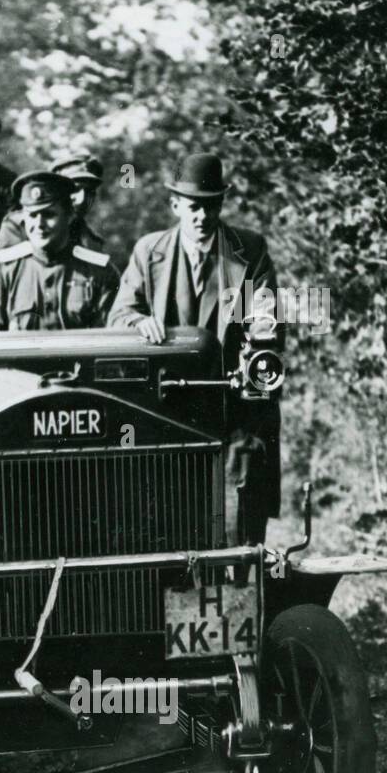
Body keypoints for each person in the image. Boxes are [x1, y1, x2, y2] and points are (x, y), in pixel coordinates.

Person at [107, 153, 282, 542]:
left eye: (210, 205)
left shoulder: (248, 250)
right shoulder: (148, 251)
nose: (201, 216)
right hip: (167, 406)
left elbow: (267, 315)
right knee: (168, 514)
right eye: (193, 207)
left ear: (221, 204)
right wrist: (139, 322)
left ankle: (239, 589)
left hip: (232, 406)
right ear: (175, 206)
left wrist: (256, 343)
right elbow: (119, 315)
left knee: (239, 513)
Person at [0, 171, 118, 331]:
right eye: (32, 215)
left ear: (69, 216)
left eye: (48, 215)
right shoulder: (1, 270)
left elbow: (109, 338)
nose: (39, 224)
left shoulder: (100, 272)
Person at [52, 154, 107, 252]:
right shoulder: (26, 232)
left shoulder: (93, 243)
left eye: (89, 191)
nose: (82, 200)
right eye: (75, 189)